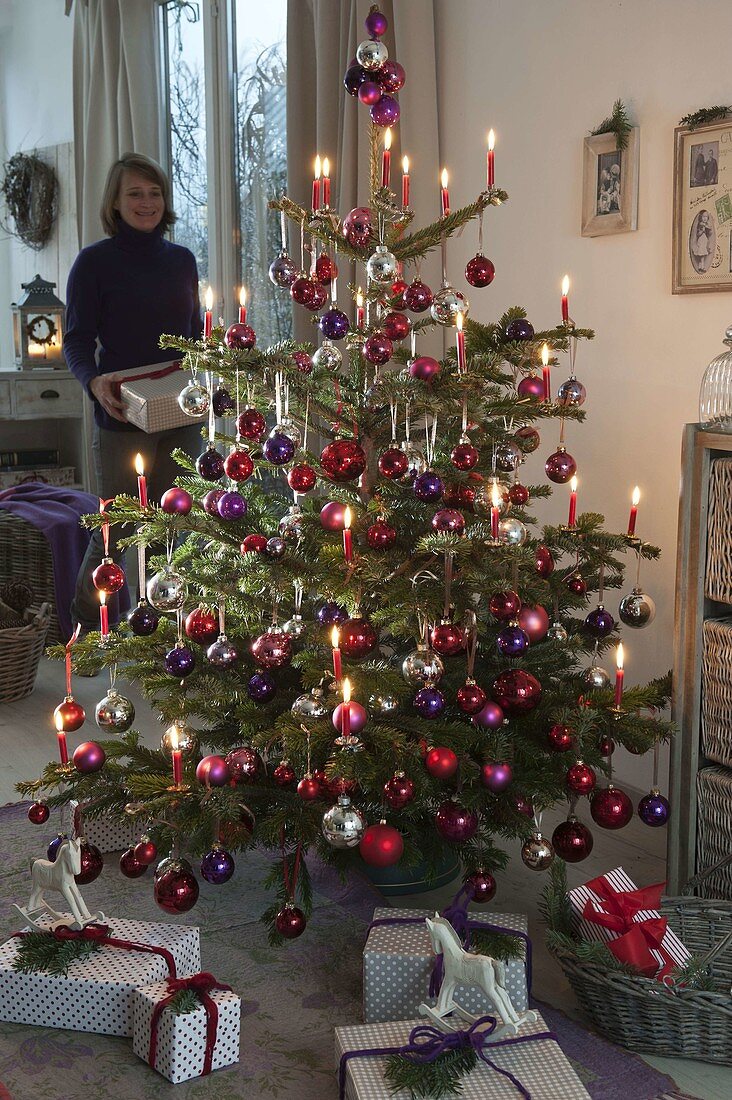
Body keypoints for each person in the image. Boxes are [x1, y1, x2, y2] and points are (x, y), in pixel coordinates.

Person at [64, 152, 203, 632]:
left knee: (177, 530)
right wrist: (92, 381)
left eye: (155, 192)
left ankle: (167, 633)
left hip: (182, 414)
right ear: (115, 203)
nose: (147, 202)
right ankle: (83, 627)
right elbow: (77, 341)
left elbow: (195, 338)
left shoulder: (183, 261)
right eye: (135, 193)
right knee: (116, 532)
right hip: (122, 414)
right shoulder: (93, 264)